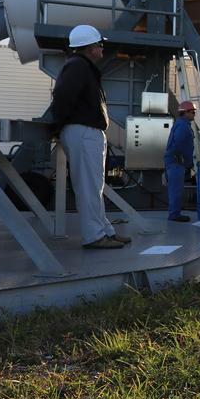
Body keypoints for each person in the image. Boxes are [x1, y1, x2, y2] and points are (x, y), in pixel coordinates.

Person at [49, 24, 129, 249]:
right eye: (99, 44)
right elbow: (63, 98)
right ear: (90, 47)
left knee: (94, 186)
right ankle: (94, 236)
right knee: (89, 187)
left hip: (87, 132)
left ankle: (106, 231)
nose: (102, 48)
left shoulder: (80, 66)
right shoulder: (77, 67)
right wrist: (58, 126)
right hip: (83, 131)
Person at [164, 100, 196, 222]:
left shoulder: (181, 124)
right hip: (176, 162)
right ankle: (174, 215)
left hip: (175, 161)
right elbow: (178, 142)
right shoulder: (183, 126)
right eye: (192, 112)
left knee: (175, 189)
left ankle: (174, 213)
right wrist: (181, 157)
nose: (194, 114)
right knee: (176, 189)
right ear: (185, 113)